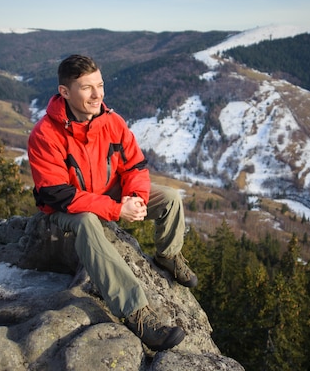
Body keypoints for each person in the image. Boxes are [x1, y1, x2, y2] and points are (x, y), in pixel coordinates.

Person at [27, 54, 197, 351]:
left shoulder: (112, 122)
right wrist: (117, 209)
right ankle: (136, 313)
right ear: (65, 92)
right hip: (63, 211)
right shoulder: (45, 134)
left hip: (107, 193)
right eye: (87, 88)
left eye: (100, 85)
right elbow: (59, 194)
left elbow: (135, 167)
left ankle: (169, 255)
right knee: (88, 222)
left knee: (169, 197)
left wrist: (137, 198)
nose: (97, 95)